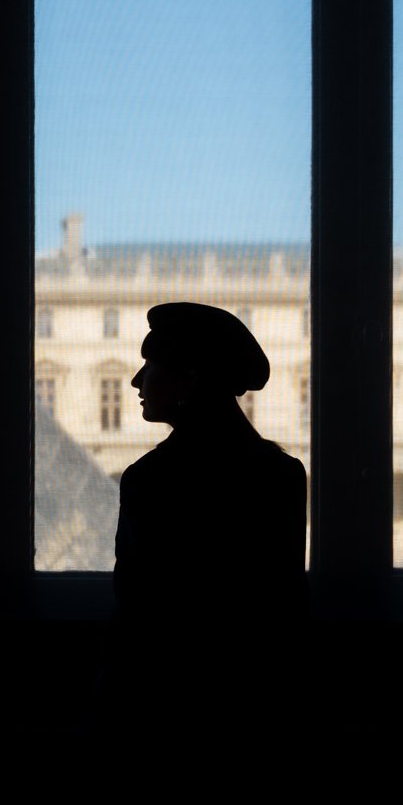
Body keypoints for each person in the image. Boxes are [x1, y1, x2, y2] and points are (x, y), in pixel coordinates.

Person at [91, 302, 307, 742]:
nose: (136, 381)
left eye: (149, 366)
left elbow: (137, 616)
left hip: (164, 709)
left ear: (189, 380)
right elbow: (282, 610)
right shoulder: (283, 475)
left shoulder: (151, 480)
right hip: (259, 706)